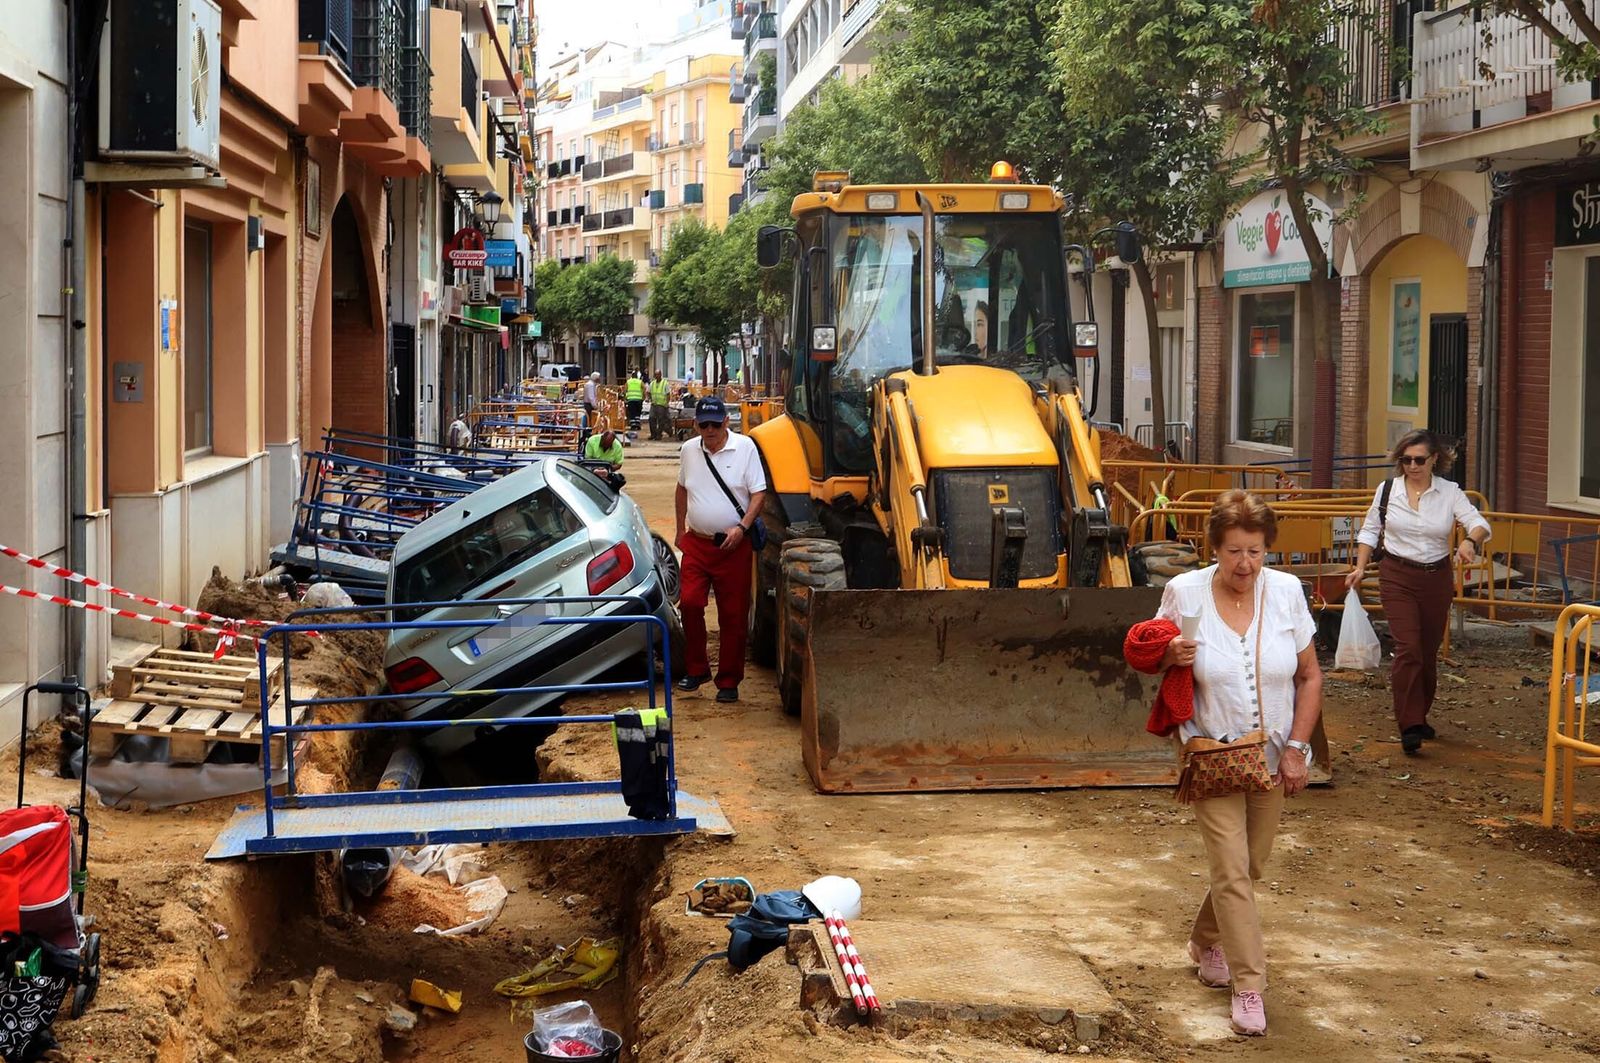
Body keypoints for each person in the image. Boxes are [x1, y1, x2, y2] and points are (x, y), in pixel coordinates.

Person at [1147, 490, 1323, 1037]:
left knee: (1250, 866)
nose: (1245, 564)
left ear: (1267, 548)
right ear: (1214, 549)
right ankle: (1249, 986)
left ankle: (1205, 940)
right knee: (1230, 867)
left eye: (1255, 551)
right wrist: (1169, 654)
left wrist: (1297, 749)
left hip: (1273, 753)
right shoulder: (1184, 592)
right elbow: (1147, 651)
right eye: (1233, 551)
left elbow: (1309, 677)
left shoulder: (1287, 591)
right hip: (1211, 752)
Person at [1345, 430, 1490, 755]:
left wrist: (1470, 541)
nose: (1412, 466)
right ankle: (1409, 724)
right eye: (1406, 459)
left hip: (1436, 578)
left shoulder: (1449, 492)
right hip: (1396, 575)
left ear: (1434, 459)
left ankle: (1419, 715)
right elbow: (1369, 530)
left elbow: (1479, 523)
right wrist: (1360, 567)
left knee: (1426, 651)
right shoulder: (1387, 491)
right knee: (1408, 647)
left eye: (1419, 460)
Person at [675, 395, 766, 703]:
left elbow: (758, 493)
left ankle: (728, 680)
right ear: (695, 425)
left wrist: (742, 528)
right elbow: (681, 488)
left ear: (727, 422)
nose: (710, 431)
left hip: (733, 547)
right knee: (689, 603)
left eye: (716, 424)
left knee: (733, 616)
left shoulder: (745, 448)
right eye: (704, 425)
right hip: (697, 543)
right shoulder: (689, 451)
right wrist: (679, 530)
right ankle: (697, 669)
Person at [648, 370, 672, 441]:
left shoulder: (665, 383)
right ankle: (653, 434)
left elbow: (668, 394)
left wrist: (667, 403)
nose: (656, 376)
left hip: (662, 405)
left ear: (661, 375)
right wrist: (649, 398)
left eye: (658, 374)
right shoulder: (652, 383)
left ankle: (658, 435)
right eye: (655, 375)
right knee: (651, 418)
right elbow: (648, 392)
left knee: (661, 420)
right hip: (654, 404)